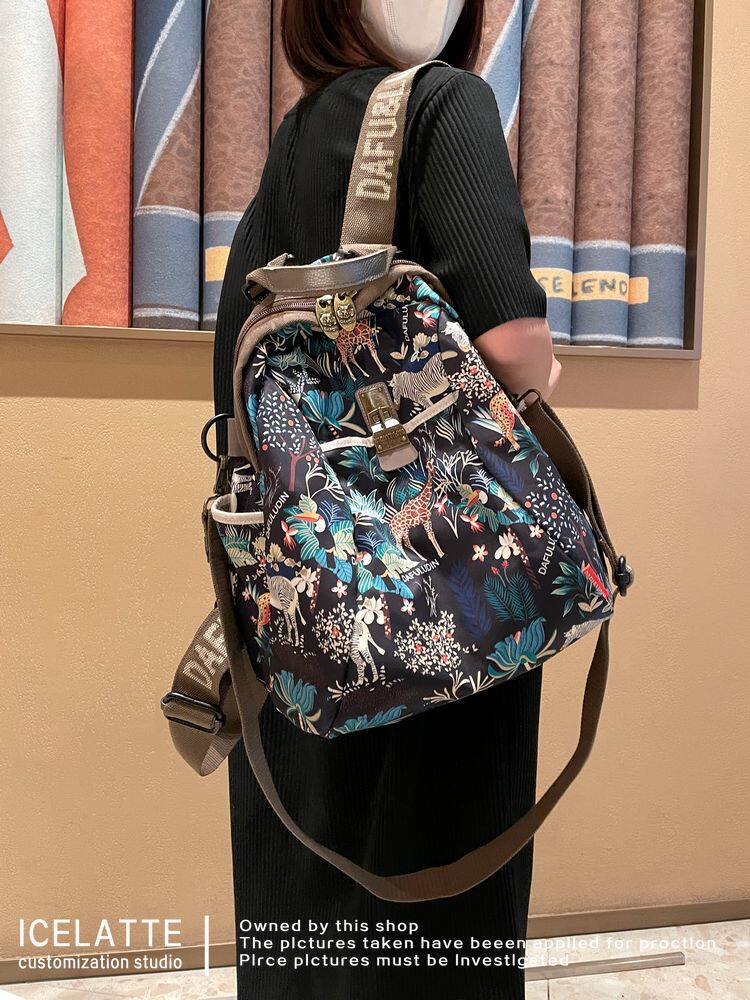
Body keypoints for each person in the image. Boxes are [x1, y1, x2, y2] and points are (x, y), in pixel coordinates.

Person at [215, 1, 560, 997]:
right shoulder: (447, 106)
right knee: (434, 917)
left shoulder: (289, 143)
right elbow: (512, 352)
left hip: (296, 612)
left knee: (302, 910)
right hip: (444, 599)